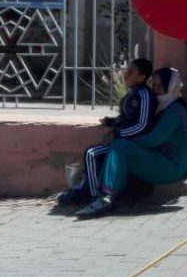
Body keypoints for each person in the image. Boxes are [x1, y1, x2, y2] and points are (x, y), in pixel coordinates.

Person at [75, 67, 187, 219]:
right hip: (158, 158)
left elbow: (153, 139)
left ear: (171, 87)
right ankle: (101, 194)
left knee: (120, 147)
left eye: (160, 86)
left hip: (172, 165)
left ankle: (107, 197)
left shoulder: (175, 111)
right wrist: (113, 123)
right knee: (116, 148)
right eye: (154, 85)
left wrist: (126, 140)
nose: (155, 90)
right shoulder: (161, 105)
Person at [56, 58, 156, 206]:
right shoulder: (131, 94)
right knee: (94, 155)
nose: (125, 74)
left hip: (132, 145)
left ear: (142, 77)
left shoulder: (144, 95)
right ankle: (85, 190)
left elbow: (142, 126)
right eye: (127, 70)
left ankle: (92, 195)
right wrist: (110, 122)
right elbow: (125, 119)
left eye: (131, 72)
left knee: (92, 153)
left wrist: (119, 134)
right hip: (121, 142)